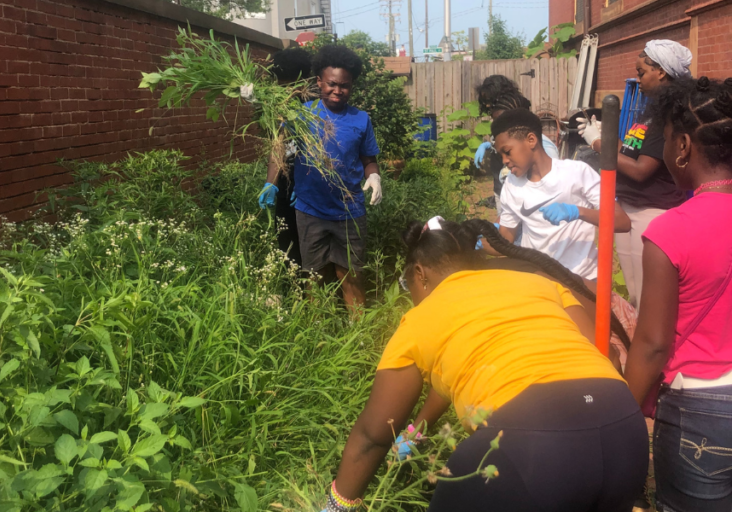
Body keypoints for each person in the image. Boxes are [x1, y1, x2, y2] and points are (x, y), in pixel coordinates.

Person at [320, 218, 649, 512]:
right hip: (625, 433)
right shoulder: (537, 285)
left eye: (408, 286)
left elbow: (373, 434)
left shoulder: (419, 319)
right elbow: (608, 355)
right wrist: (416, 432)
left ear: (419, 273)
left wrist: (338, 505)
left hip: (530, 449)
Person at [625, 76, 732, 512]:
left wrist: (624, 415)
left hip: (700, 413)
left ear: (684, 146)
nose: (666, 150)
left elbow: (653, 345)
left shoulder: (670, 230)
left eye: (666, 140)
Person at [260, 45, 382, 313]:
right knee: (314, 276)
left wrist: (374, 177)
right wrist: (271, 182)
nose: (337, 91)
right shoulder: (301, 114)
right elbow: (279, 147)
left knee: (350, 274)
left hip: (349, 210)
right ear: (319, 82)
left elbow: (368, 160)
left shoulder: (361, 120)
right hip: (310, 209)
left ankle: (358, 335)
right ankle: (318, 330)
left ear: (352, 86)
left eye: (344, 86)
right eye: (331, 84)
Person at [578, 40, 692, 310]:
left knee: (650, 298)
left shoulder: (669, 116)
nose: (637, 79)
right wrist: (604, 135)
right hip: (630, 209)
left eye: (641, 73)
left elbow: (641, 171)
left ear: (661, 72)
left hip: (652, 211)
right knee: (635, 295)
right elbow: (628, 153)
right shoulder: (650, 111)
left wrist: (597, 145)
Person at [485, 109, 631, 281]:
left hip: (583, 279)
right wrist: (482, 240)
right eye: (500, 154)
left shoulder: (577, 172)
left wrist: (578, 212)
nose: (504, 161)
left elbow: (622, 222)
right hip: (539, 279)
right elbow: (506, 238)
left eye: (507, 152)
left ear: (531, 140)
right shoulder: (511, 184)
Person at [259, 47, 313, 268]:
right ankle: (293, 290)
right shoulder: (280, 107)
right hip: (287, 182)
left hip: (312, 184)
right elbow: (278, 146)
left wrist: (305, 184)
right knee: (286, 240)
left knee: (310, 243)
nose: (284, 90)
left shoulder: (316, 108)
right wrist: (270, 184)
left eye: (288, 85)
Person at [474, 76, 559, 216]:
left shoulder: (546, 148)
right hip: (506, 196)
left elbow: (547, 191)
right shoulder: (507, 135)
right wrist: (489, 145)